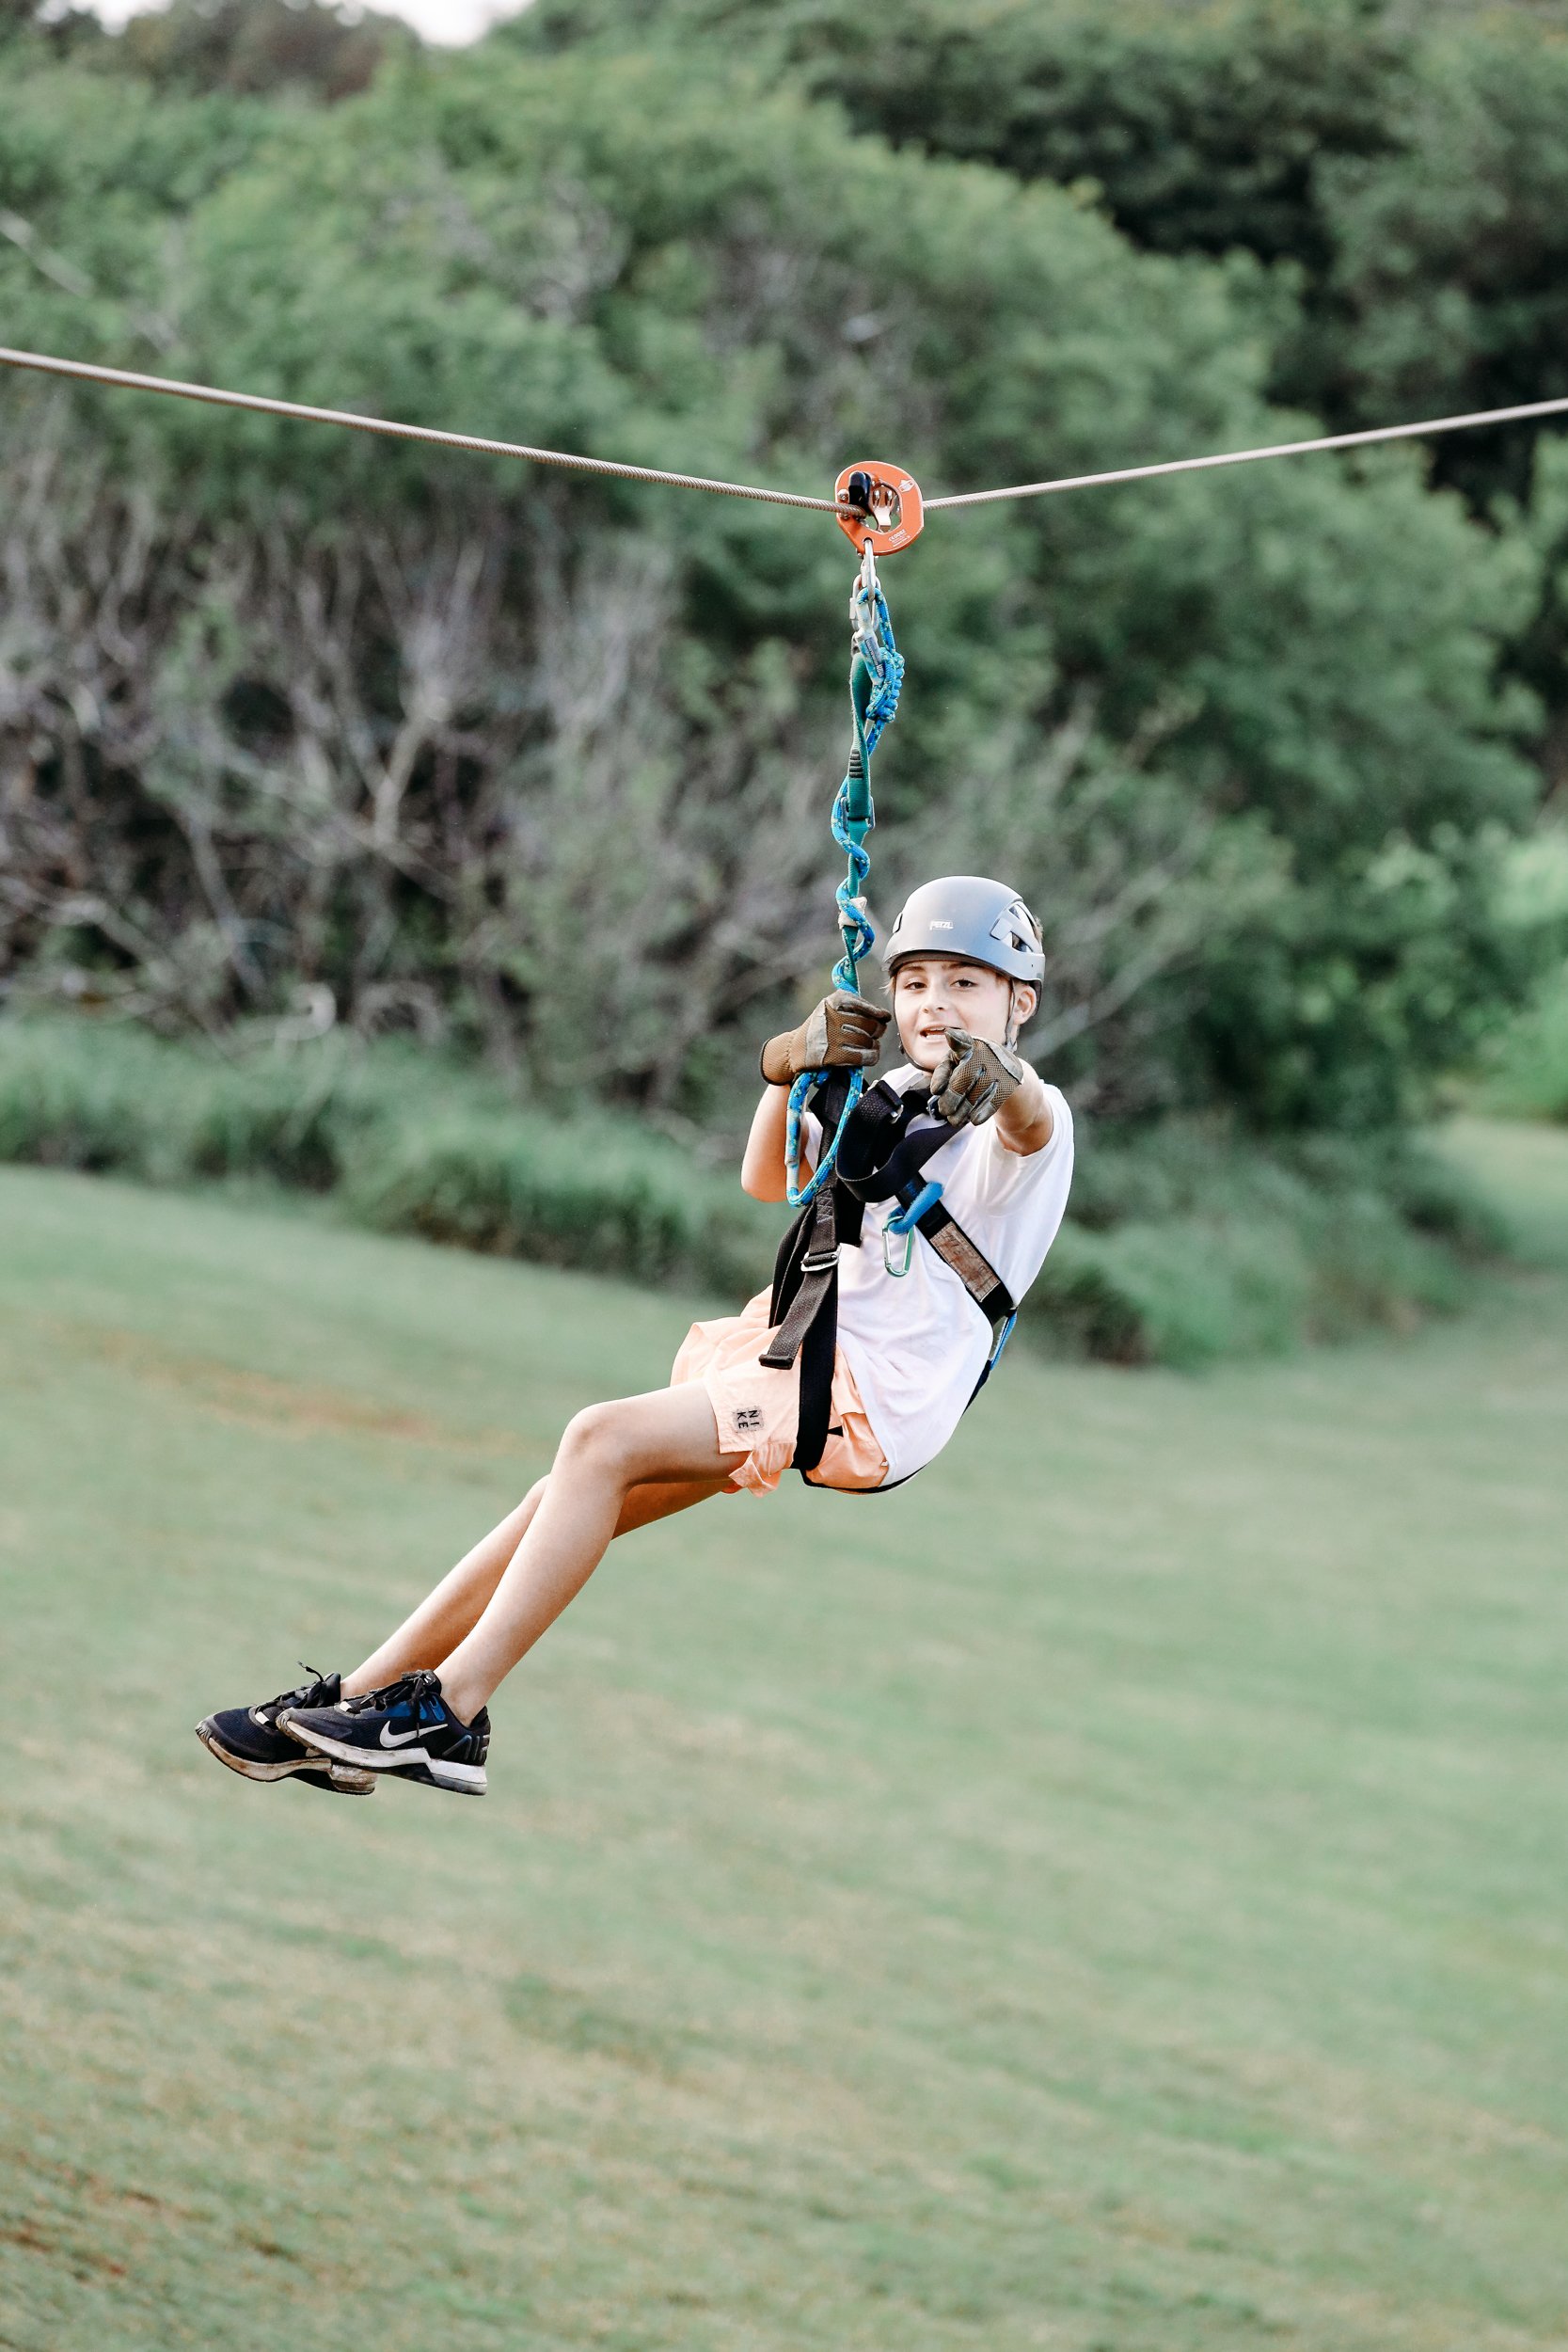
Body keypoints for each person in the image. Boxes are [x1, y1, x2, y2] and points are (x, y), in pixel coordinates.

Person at [195, 877, 1074, 1800]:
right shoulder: (892, 1091)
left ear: (1019, 1003)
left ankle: (447, 1714)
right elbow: (765, 1177)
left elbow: (1027, 1119)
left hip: (871, 1387)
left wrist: (1005, 1079)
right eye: (917, 980)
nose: (936, 1002)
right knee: (568, 1495)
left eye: (967, 983)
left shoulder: (1034, 1121)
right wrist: (788, 1066)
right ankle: (350, 1705)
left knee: (597, 1437)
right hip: (798, 1350)